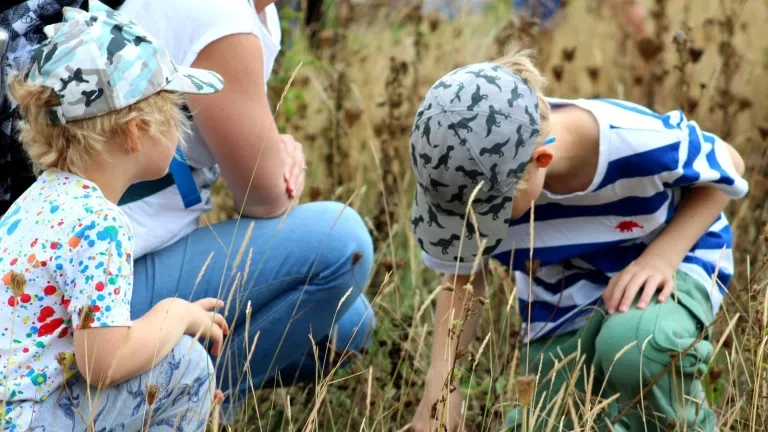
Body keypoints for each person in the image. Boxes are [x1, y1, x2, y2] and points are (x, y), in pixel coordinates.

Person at [407, 47, 747, 431]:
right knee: (544, 422)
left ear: (541, 163)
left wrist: (661, 258)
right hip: (561, 296)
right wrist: (441, 386)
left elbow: (730, 166)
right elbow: (462, 276)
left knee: (634, 349)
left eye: (489, 214)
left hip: (671, 262)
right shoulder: (460, 170)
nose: (473, 224)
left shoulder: (631, 140)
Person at [109, 0, 377, 421]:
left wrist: (275, 150)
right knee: (342, 245)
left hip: (142, 255)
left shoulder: (258, 14)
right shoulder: (222, 16)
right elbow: (264, 196)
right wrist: (286, 153)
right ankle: (190, 407)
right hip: (103, 281)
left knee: (350, 324)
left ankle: (172, 390)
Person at [0, 3, 229, 430]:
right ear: (136, 129)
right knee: (187, 363)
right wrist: (173, 314)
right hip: (27, 421)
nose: (181, 129)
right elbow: (103, 365)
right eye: (173, 111)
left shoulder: (30, 207)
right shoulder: (100, 223)